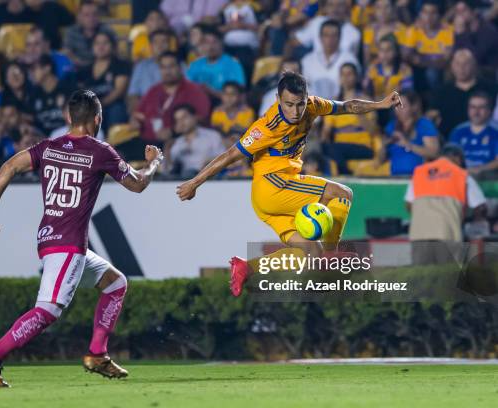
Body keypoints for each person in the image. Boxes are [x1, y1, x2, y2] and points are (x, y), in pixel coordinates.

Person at [0, 89, 164, 387]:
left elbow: (9, 166)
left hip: (51, 238)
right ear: (97, 119)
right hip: (69, 243)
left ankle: (97, 354)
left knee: (115, 283)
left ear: (67, 117)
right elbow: (138, 185)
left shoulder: (48, 147)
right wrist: (153, 162)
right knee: (48, 310)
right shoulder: (100, 151)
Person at [176, 71, 403, 297]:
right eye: (289, 104)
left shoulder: (313, 106)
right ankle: (332, 254)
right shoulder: (267, 126)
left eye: (300, 104)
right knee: (342, 194)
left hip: (269, 201)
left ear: (307, 97)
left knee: (309, 254)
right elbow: (228, 155)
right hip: (273, 186)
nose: (295, 111)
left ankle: (247, 267)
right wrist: (195, 183)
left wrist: (380, 104)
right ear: (277, 99)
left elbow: (348, 106)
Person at [405, 144, 487, 265]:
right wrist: (468, 218)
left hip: (419, 234)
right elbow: (480, 206)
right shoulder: (461, 174)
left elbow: (408, 204)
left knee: (421, 277)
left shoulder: (420, 173)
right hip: (448, 232)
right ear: (458, 158)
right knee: (448, 277)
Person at [131, 52, 210, 146]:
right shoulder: (153, 90)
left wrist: (173, 131)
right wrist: (135, 121)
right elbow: (138, 114)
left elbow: (202, 118)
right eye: (163, 67)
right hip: (146, 143)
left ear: (180, 69)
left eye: (171, 66)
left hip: (178, 143)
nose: (167, 71)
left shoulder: (194, 90)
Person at [321, 63, 378, 174]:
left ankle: (345, 173)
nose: (346, 78)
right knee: (323, 147)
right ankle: (344, 171)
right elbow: (326, 131)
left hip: (362, 147)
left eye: (349, 74)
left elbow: (373, 131)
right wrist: (324, 143)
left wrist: (360, 113)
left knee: (334, 149)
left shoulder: (366, 101)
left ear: (356, 77)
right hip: (339, 149)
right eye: (343, 75)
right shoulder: (334, 103)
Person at [427, 49, 497, 137]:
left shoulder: (490, 88)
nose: (461, 68)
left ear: (474, 65)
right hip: (450, 141)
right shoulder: (441, 92)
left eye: (466, 64)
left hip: (487, 139)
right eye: (457, 64)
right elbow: (431, 116)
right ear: (451, 66)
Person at [78, 32, 131, 132]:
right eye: (97, 43)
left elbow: (119, 91)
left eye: (105, 43)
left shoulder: (121, 65)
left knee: (116, 109)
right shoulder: (84, 70)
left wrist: (100, 104)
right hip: (91, 109)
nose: (101, 47)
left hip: (112, 106)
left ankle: (114, 143)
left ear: (112, 46)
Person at [380, 90, 439, 176]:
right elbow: (380, 160)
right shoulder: (391, 127)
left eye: (403, 106)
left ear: (413, 107)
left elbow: (433, 152)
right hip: (395, 177)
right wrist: (384, 146)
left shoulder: (424, 124)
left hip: (419, 177)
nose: (398, 110)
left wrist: (407, 144)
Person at [301, 19, 359, 99]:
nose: (330, 39)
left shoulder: (350, 60)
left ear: (340, 38)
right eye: (326, 35)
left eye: (334, 35)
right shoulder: (307, 60)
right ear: (320, 38)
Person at [403, 0, 453, 91]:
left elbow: (446, 59)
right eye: (425, 12)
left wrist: (421, 60)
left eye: (433, 13)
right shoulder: (413, 30)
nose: (429, 17)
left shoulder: (447, 30)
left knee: (432, 72)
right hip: (417, 69)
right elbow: (406, 55)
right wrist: (431, 61)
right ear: (420, 14)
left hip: (439, 70)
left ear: (439, 15)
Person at [364, 34, 413, 126]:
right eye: (382, 50)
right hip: (376, 106)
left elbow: (407, 93)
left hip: (394, 107)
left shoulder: (404, 69)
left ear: (396, 52)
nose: (385, 54)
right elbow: (365, 91)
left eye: (389, 50)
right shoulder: (372, 69)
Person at [186, 27, 245, 103]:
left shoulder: (233, 64)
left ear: (221, 43)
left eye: (214, 42)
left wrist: (210, 91)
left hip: (223, 105)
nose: (210, 46)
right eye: (206, 42)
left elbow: (239, 95)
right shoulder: (195, 64)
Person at [449, 91, 498, 177]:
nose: (476, 111)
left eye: (481, 107)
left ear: (489, 110)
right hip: (461, 177)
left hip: (489, 178)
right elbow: (449, 157)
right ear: (468, 109)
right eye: (473, 107)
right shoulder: (458, 131)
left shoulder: (495, 131)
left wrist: (480, 169)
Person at [169, 104, 225, 177]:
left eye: (184, 118)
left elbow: (223, 159)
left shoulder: (212, 136)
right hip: (182, 182)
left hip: (209, 179)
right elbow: (169, 169)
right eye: (178, 120)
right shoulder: (176, 143)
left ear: (194, 117)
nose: (181, 123)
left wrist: (208, 163)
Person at [28, 54, 75, 136]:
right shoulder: (34, 95)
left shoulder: (68, 90)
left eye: (34, 69)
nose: (31, 74)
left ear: (47, 68)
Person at [293, 0, 361, 56]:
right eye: (331, 5)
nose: (335, 9)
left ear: (346, 8)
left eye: (340, 5)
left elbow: (352, 61)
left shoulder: (354, 33)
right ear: (325, 8)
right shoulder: (317, 22)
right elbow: (294, 42)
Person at [127, 29, 173, 111]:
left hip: (173, 109)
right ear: (151, 46)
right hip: (147, 110)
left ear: (169, 45)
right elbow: (133, 95)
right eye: (156, 42)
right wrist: (138, 113)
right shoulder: (141, 67)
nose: (160, 45)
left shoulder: (180, 65)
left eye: (164, 42)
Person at [62, 0, 116, 69]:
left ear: (99, 15)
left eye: (94, 14)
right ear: (80, 16)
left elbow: (114, 55)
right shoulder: (71, 32)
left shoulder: (107, 31)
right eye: (86, 15)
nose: (91, 18)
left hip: (102, 69)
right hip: (77, 70)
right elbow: (67, 53)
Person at [453, 0, 498, 69]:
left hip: (488, 72)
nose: (459, 15)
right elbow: (456, 53)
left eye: (463, 11)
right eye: (458, 12)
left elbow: (474, 58)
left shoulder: (488, 30)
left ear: (474, 11)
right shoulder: (462, 29)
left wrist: (461, 35)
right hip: (468, 71)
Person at [362, 0, 408, 66]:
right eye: (379, 7)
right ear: (374, 10)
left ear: (392, 8)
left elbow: (404, 58)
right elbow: (366, 59)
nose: (383, 11)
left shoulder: (401, 29)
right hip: (374, 71)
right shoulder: (368, 29)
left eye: (387, 7)